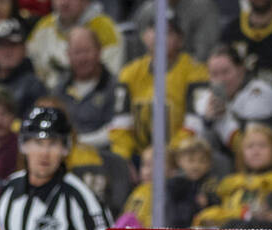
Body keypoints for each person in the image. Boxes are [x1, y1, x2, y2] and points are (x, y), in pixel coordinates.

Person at [110, 14, 210, 166]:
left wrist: (167, 156)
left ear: (180, 40)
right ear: (145, 36)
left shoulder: (196, 72)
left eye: (168, 32)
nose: (159, 36)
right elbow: (120, 125)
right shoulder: (129, 73)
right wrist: (123, 161)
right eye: (154, 30)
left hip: (179, 158)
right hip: (137, 158)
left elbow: (194, 124)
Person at [196, 44, 272, 157]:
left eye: (226, 72)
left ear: (241, 70)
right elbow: (202, 152)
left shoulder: (259, 92)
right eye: (214, 74)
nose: (220, 80)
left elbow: (257, 150)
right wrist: (207, 123)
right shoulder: (207, 98)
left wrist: (222, 121)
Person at [193, 123, 272, 228]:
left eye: (262, 146)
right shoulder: (230, 182)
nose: (256, 151)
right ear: (241, 153)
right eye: (250, 146)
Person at [54, 25, 129, 153]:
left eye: (87, 51)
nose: (82, 58)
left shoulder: (117, 87)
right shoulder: (59, 89)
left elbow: (118, 129)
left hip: (104, 157)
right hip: (65, 157)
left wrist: (77, 142)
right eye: (77, 52)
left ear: (99, 51)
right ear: (68, 55)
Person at [25, 0, 124, 89]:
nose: (64, 3)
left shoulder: (105, 28)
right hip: (49, 97)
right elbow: (30, 69)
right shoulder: (43, 27)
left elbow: (111, 75)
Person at [0, 17, 49, 117]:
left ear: (24, 49)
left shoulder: (35, 87)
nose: (7, 52)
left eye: (13, 45)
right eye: (2, 46)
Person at [131, 0, 221, 63]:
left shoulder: (203, 7)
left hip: (189, 75)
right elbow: (138, 55)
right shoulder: (146, 11)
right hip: (150, 76)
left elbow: (203, 55)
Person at [166, 133, 219, 228]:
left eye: (202, 161)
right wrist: (196, 203)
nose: (196, 166)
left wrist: (208, 201)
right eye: (191, 160)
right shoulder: (175, 185)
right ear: (179, 160)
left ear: (209, 164)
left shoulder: (210, 185)